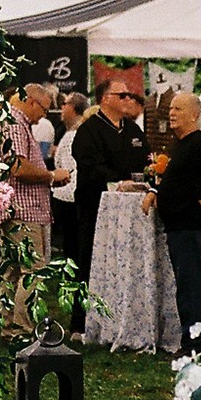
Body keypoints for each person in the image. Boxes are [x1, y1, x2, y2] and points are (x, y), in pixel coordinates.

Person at [143, 91, 201, 353]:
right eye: (170, 108)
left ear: (194, 114)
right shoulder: (182, 144)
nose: (171, 113)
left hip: (189, 226)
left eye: (178, 109)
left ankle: (194, 343)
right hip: (181, 225)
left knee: (190, 287)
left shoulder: (198, 143)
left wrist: (200, 192)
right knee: (193, 286)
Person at [0, 85, 68, 334]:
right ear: (31, 101)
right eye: (44, 108)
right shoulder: (14, 124)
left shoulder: (9, 121)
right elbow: (18, 167)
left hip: (12, 210)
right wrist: (51, 175)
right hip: (23, 211)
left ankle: (8, 327)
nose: (44, 115)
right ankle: (22, 328)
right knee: (33, 270)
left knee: (12, 271)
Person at [70, 79, 135, 332]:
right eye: (122, 95)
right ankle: (81, 322)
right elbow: (89, 164)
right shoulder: (89, 131)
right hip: (94, 207)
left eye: (130, 96)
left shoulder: (132, 131)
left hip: (129, 210)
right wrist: (117, 181)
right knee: (87, 261)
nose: (128, 100)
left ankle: (122, 318)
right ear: (105, 98)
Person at [50, 92, 86, 264]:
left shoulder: (75, 133)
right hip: (68, 193)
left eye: (64, 104)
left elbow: (61, 163)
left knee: (72, 243)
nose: (61, 108)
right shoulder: (68, 131)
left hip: (69, 194)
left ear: (73, 107)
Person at [120, 90, 149, 175]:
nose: (127, 112)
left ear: (139, 106)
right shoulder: (131, 124)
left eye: (130, 108)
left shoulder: (141, 122)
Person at [28, 83, 57, 165]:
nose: (44, 115)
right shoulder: (16, 125)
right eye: (44, 110)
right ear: (32, 103)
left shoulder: (44, 124)